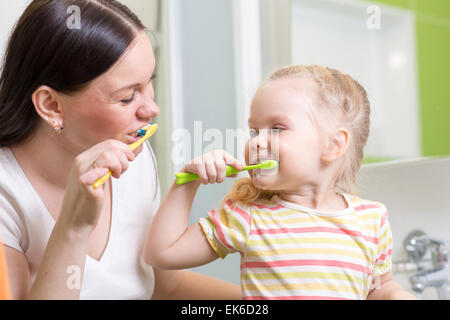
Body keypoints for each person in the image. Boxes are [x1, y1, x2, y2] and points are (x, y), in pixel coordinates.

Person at [0, 0, 240, 300]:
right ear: (52, 105)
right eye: (128, 97)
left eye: (149, 82)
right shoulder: (6, 195)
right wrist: (73, 228)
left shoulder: (134, 160)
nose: (152, 108)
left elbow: (168, 288)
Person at [145, 65, 416, 300]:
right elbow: (162, 254)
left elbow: (379, 289)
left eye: (277, 128)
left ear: (333, 145)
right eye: (254, 131)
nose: (257, 141)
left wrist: (398, 295)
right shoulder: (247, 216)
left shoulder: (371, 219)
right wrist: (188, 182)